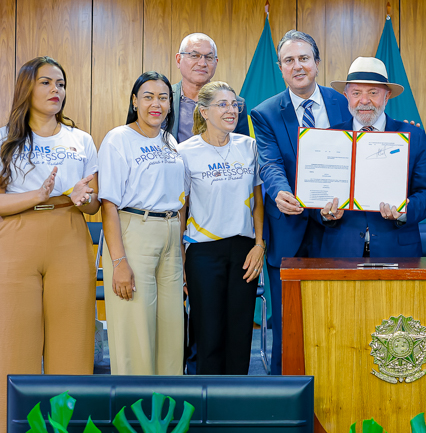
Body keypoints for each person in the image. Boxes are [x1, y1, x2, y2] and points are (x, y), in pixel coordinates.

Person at [0, 56, 99, 433]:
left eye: (61, 83)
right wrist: (36, 196)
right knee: (12, 348)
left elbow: (93, 205)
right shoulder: (5, 137)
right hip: (16, 238)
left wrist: (84, 196)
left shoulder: (81, 140)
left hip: (69, 235)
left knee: (73, 348)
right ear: (28, 88)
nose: (56, 90)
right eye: (46, 82)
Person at [250, 30, 350, 374]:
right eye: (289, 60)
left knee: (336, 320)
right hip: (288, 228)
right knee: (288, 324)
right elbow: (270, 162)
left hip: (338, 229)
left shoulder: (344, 102)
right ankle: (284, 400)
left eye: (304, 58)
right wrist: (278, 191)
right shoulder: (264, 113)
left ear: (317, 64)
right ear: (280, 68)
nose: (298, 66)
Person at [98, 71, 185, 376]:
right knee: (136, 331)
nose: (156, 104)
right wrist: (119, 261)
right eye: (148, 97)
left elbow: (180, 198)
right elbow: (108, 204)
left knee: (172, 332)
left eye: (163, 97)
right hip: (135, 232)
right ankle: (135, 415)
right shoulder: (118, 138)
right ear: (135, 102)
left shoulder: (170, 140)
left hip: (171, 235)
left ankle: (166, 414)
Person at [178, 81, 264, 375]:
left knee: (240, 332)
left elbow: (258, 204)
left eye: (234, 104)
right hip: (203, 252)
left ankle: (235, 404)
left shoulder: (249, 146)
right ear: (204, 110)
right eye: (223, 104)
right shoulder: (185, 151)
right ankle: (205, 407)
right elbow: (181, 210)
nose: (231, 110)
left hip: (244, 249)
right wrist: (181, 260)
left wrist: (259, 245)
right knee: (208, 332)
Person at [318, 57, 426, 256]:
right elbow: (317, 196)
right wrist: (326, 214)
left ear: (387, 96)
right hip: (341, 251)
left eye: (373, 93)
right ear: (346, 95)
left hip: (397, 251)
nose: (364, 101)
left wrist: (405, 211)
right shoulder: (330, 137)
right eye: (356, 93)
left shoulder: (413, 136)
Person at [171, 33, 250, 144]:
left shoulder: (236, 104)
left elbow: (242, 149)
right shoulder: (163, 98)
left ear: (216, 63)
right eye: (194, 56)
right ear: (179, 60)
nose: (202, 63)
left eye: (209, 57)